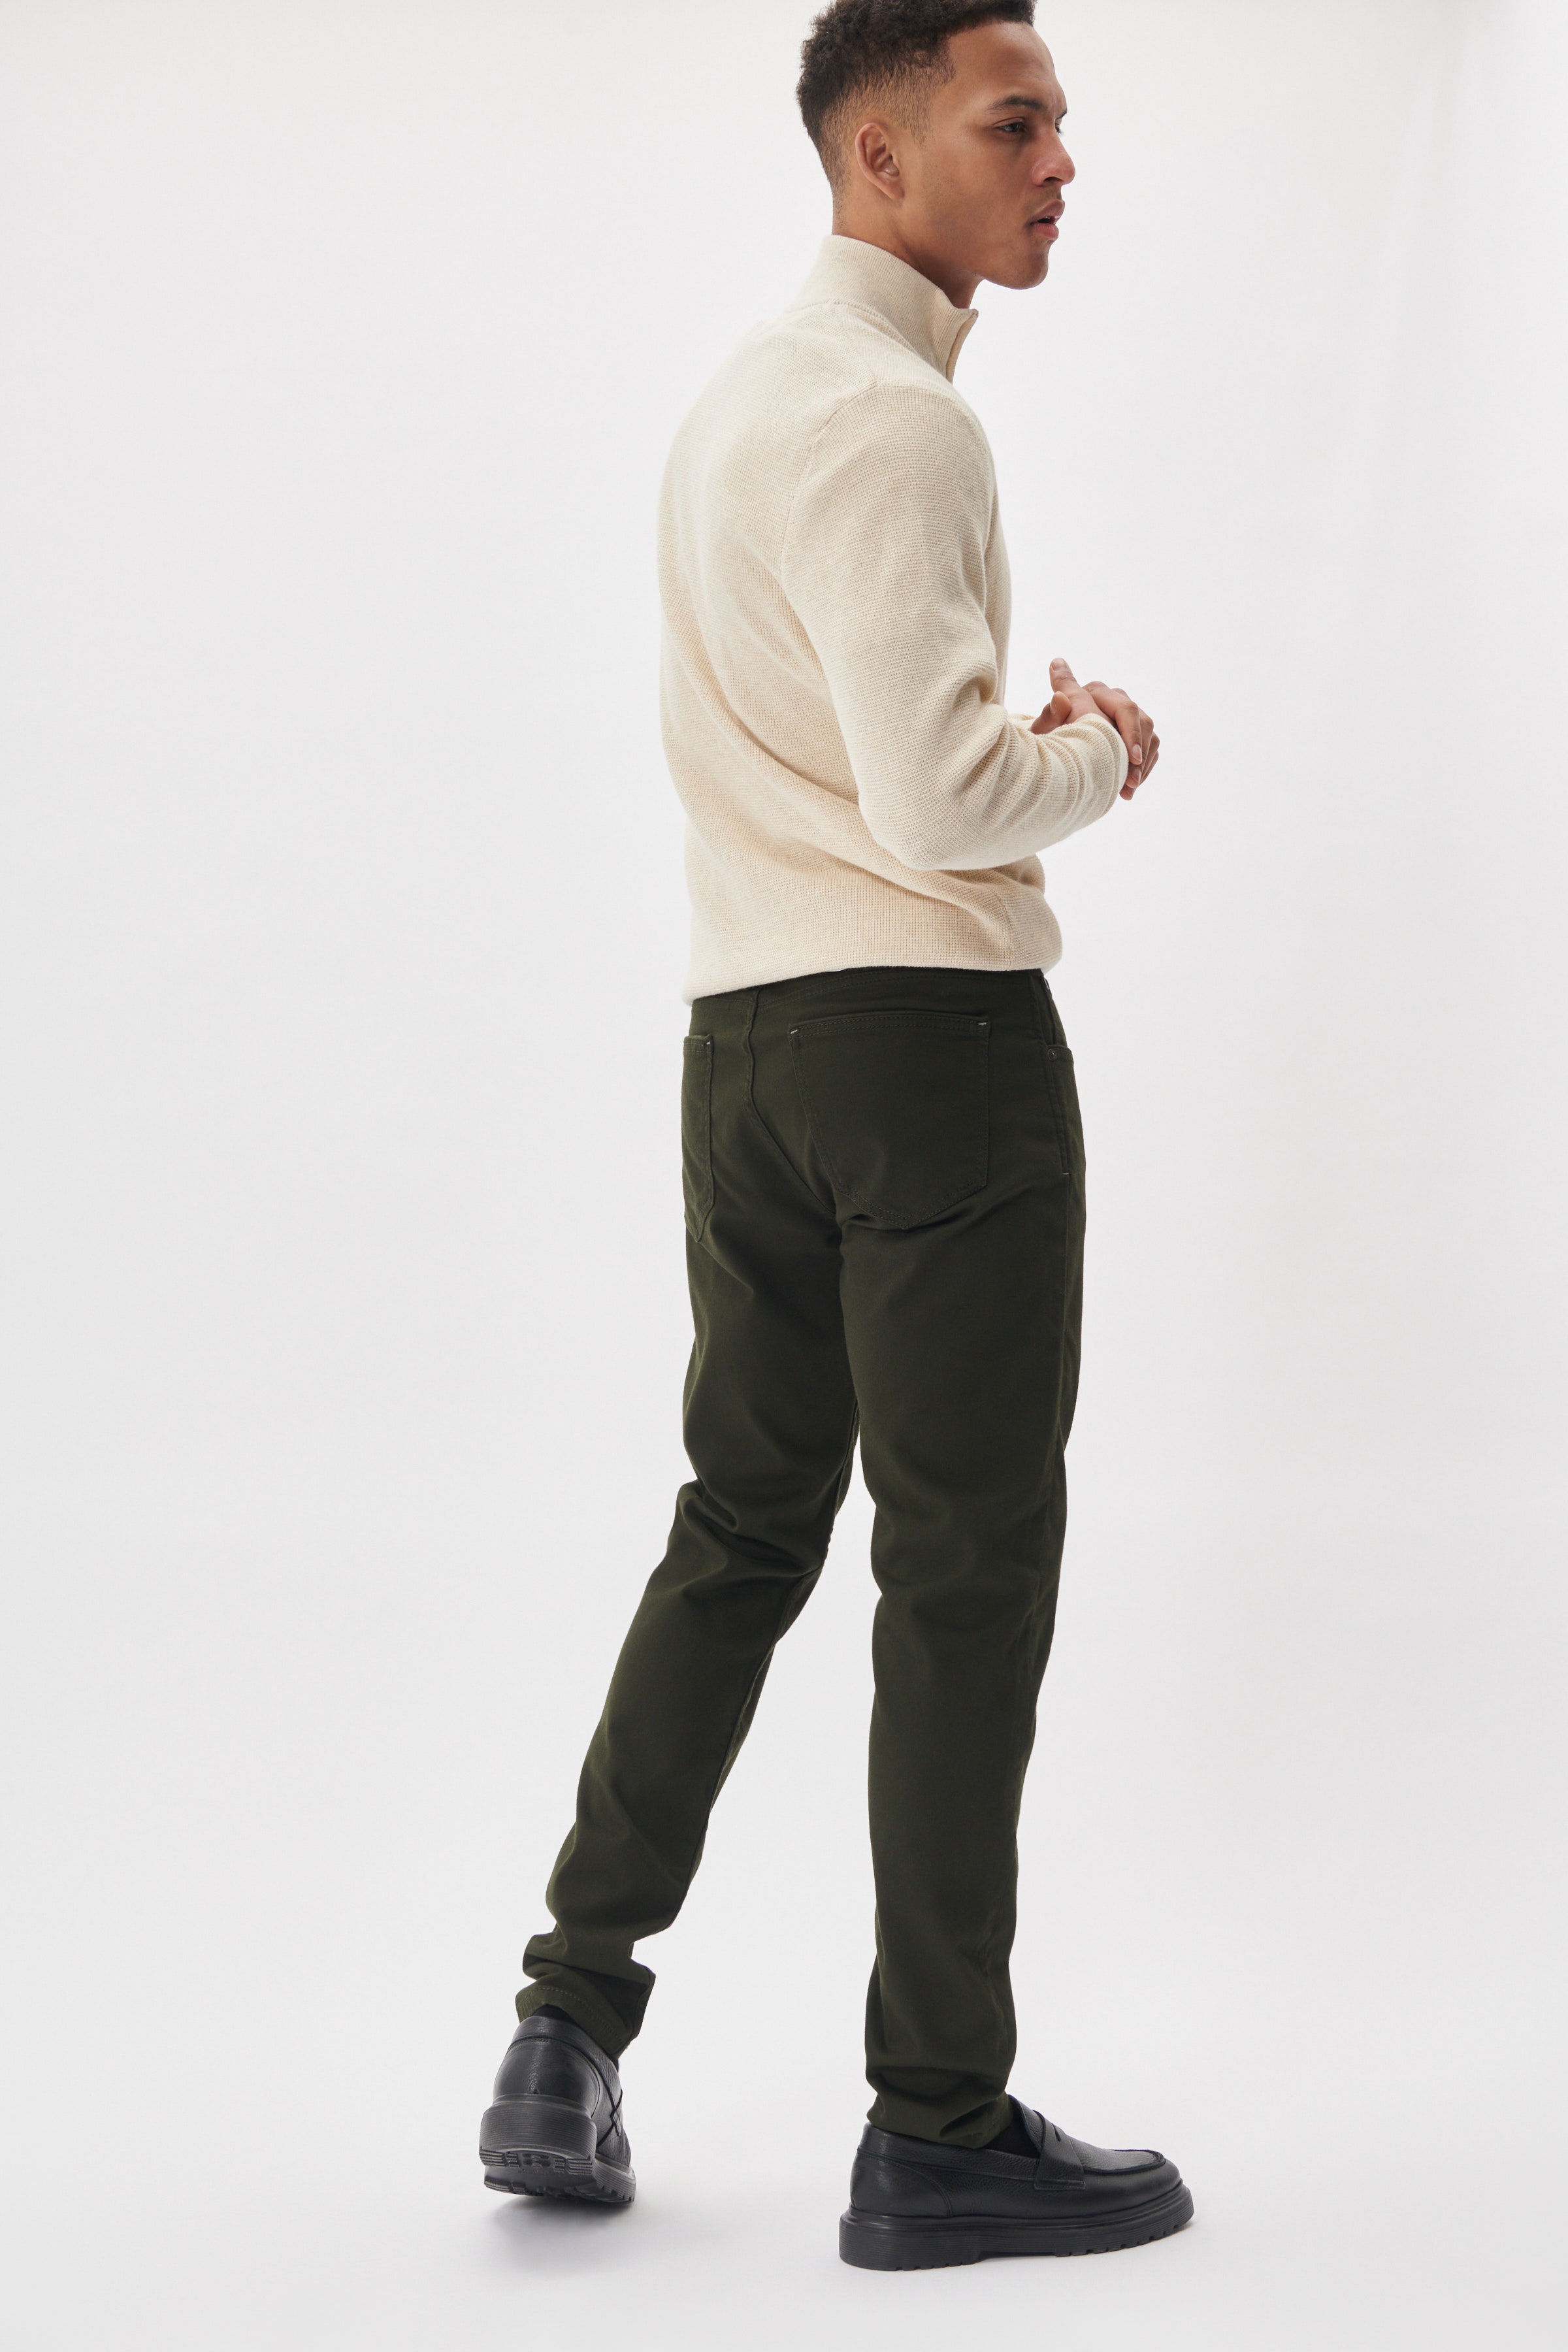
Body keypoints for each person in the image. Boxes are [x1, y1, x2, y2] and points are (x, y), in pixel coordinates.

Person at [478, 0, 1192, 2269]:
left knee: (741, 1526)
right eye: (1016, 122)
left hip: (748, 1047)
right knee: (962, 1573)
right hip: (929, 1056)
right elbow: (944, 798)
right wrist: (1097, 748)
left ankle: (564, 2027)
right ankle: (939, 2124)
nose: (1061, 160)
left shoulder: (734, 410)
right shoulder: (898, 425)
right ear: (881, 159)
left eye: (1061, 120)